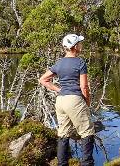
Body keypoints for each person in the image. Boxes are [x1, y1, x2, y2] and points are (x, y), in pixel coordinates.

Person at [39, 33, 95, 166]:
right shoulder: (80, 62)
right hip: (74, 100)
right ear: (75, 47)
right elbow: (84, 87)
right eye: (79, 43)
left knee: (63, 134)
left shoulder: (59, 63)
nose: (81, 45)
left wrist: (59, 90)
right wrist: (87, 102)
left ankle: (62, 164)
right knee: (87, 132)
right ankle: (87, 163)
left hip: (61, 101)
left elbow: (43, 79)